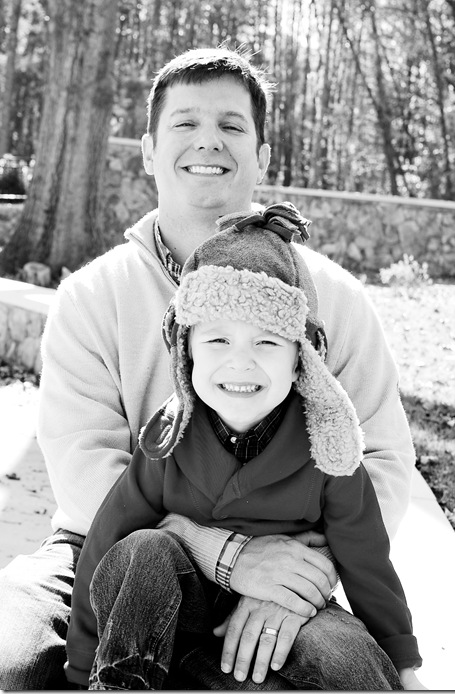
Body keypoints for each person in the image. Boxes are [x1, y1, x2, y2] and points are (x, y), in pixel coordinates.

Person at [0, 47, 416, 690]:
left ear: (264, 155)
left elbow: (382, 460)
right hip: (103, 550)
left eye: (231, 125)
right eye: (185, 123)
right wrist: (223, 556)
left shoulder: (333, 298)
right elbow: (86, 470)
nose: (208, 142)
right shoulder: (92, 295)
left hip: (290, 555)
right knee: (8, 659)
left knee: (347, 674)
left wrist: (303, 573)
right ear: (147, 151)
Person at [65, 203, 425, 690]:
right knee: (142, 551)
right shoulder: (168, 438)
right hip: (171, 608)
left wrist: (404, 663)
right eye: (217, 341)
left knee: (344, 658)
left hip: (278, 613)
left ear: (303, 358)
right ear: (186, 350)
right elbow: (107, 540)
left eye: (267, 343)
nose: (240, 363)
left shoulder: (328, 449)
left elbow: (367, 559)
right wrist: (81, 662)